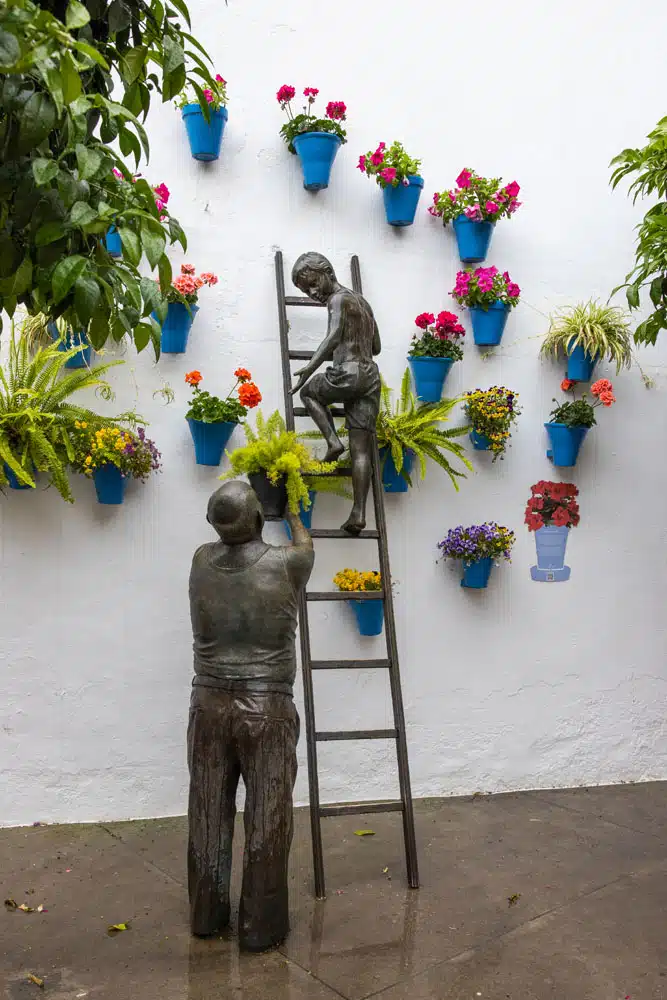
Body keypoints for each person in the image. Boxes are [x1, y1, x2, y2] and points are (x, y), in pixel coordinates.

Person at [187, 481, 314, 952]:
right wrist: (293, 508)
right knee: (267, 815)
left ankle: (206, 914)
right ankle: (260, 925)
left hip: (207, 704)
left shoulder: (201, 559)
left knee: (206, 809)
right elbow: (304, 541)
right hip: (268, 708)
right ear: (260, 520)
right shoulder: (289, 562)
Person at [290, 251, 381, 536]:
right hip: (370, 376)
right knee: (361, 450)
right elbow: (376, 345)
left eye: (313, 284)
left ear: (327, 272)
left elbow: (331, 337)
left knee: (309, 392)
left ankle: (332, 443)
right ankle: (358, 513)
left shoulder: (337, 299)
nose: (312, 292)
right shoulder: (363, 303)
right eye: (306, 291)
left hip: (349, 371)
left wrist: (310, 367)